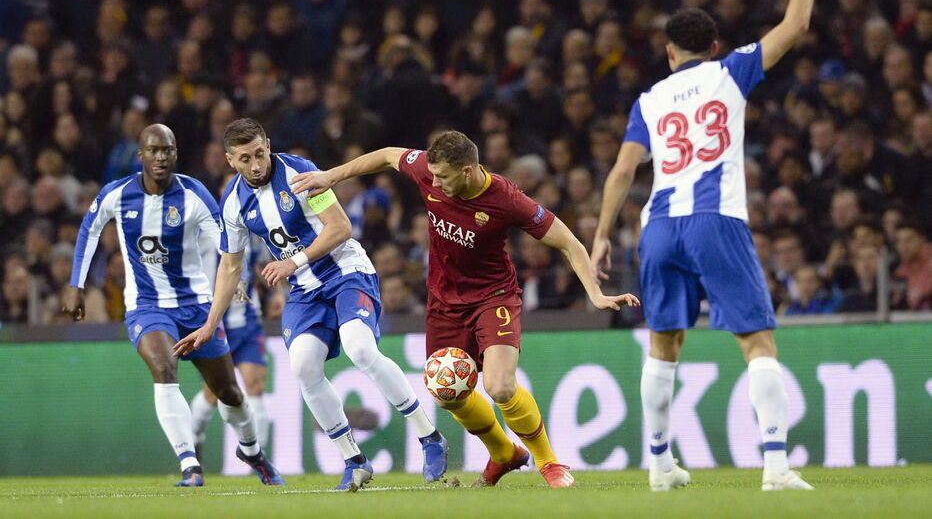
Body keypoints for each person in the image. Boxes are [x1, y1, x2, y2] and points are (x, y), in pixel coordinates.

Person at [589, 0, 839, 493]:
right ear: (714, 45)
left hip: (657, 226)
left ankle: (658, 464)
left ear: (670, 52)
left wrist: (602, 233)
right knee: (756, 341)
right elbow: (795, 26)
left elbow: (624, 168)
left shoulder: (650, 99)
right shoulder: (732, 71)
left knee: (663, 344)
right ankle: (775, 466)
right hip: (714, 218)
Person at [288, 130, 639, 489]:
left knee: (500, 386)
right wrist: (332, 175)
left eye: (443, 177)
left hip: (493, 297)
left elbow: (567, 241)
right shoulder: (429, 169)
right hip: (443, 302)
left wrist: (594, 294)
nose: (434, 182)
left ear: (468, 171)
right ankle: (504, 453)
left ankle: (549, 463)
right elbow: (388, 155)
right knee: (446, 392)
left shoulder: (505, 199)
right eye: (433, 175)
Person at [174, 118, 447, 492]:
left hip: (346, 271)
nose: (256, 165)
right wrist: (209, 325)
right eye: (245, 159)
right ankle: (355, 461)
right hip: (304, 291)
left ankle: (429, 437)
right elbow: (230, 265)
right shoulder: (234, 203)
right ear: (229, 160)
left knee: (361, 348)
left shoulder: (300, 173)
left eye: (259, 153)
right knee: (303, 367)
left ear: (268, 145)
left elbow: (340, 228)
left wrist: (293, 262)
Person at [62, 124, 283, 487]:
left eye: (167, 150)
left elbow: (228, 241)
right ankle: (190, 465)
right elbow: (88, 229)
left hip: (197, 306)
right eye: (153, 150)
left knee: (229, 392)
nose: (161, 157)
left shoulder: (194, 195)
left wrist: (239, 278)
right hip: (146, 305)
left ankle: (253, 452)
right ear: (141, 156)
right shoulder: (116, 195)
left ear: (175, 154)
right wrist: (76, 284)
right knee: (164, 370)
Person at [190, 233, 271, 459]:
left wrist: (278, 293)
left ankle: (259, 456)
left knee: (255, 386)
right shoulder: (206, 232)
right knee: (212, 394)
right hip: (214, 323)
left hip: (247, 323)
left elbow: (263, 264)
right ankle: (193, 440)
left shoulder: (255, 233)